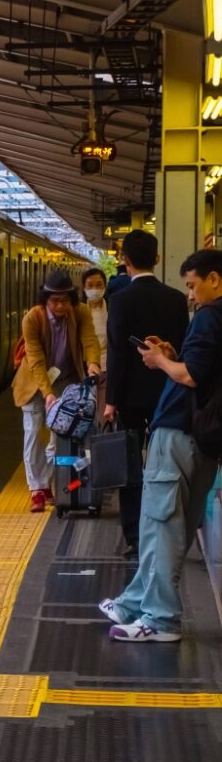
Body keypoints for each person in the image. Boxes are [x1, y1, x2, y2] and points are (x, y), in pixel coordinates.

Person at [101, 249, 222, 643]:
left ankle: (161, 618)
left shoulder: (210, 316)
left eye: (192, 285)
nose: (190, 294)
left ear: (214, 279)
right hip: (204, 440)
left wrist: (159, 361)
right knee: (172, 526)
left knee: (159, 526)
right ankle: (134, 602)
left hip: (179, 434)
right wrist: (173, 354)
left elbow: (190, 376)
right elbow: (203, 370)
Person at [103, 230, 189, 558]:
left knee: (130, 464)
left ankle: (136, 537)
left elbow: (118, 354)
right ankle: (167, 530)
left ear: (124, 260)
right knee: (166, 463)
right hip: (169, 392)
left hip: (128, 397)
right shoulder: (176, 299)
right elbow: (182, 347)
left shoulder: (121, 300)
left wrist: (111, 400)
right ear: (157, 257)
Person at [12, 271, 102, 512]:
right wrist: (48, 393)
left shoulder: (80, 311)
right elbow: (36, 359)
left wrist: (93, 363)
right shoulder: (32, 318)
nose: (60, 305)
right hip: (34, 382)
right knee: (32, 433)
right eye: (55, 301)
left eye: (64, 300)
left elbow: (89, 340)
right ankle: (37, 489)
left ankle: (50, 482)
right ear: (45, 300)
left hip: (67, 380)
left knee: (59, 434)